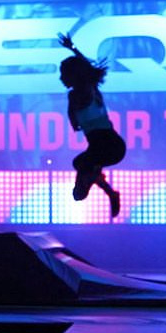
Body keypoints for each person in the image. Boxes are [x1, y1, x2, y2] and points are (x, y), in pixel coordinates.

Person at [57, 33, 125, 217]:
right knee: (83, 165)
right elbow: (88, 70)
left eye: (63, 74)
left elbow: (87, 70)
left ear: (73, 76)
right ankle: (106, 191)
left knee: (81, 163)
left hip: (109, 145)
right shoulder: (86, 90)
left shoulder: (84, 91)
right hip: (105, 145)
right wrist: (72, 49)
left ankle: (93, 188)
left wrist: (73, 50)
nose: (60, 78)